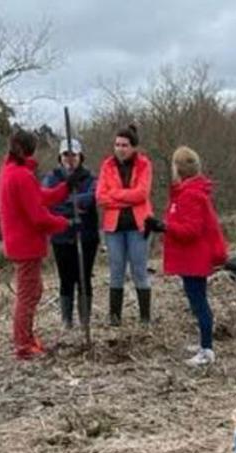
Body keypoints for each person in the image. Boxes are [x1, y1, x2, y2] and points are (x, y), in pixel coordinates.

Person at [0, 128, 71, 358]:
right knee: (28, 295)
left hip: (20, 242)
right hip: (26, 243)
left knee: (33, 291)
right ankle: (23, 345)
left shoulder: (11, 172)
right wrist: (63, 222)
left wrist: (66, 188)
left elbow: (39, 196)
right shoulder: (21, 175)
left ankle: (26, 338)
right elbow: (38, 216)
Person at [162, 146, 228, 367]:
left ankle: (207, 350)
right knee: (196, 301)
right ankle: (203, 342)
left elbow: (190, 230)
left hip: (194, 259)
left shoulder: (191, 195)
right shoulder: (188, 192)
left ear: (178, 168)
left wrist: (165, 226)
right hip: (191, 258)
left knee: (199, 303)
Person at [96, 124, 154, 326]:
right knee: (116, 270)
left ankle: (145, 318)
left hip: (138, 226)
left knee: (139, 271)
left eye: (125, 145)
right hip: (114, 228)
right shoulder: (107, 165)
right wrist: (127, 198)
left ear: (133, 147)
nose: (120, 148)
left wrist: (116, 196)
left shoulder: (144, 165)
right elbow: (101, 197)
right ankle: (115, 318)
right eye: (117, 144)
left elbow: (142, 194)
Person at [44, 138, 100, 328]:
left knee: (84, 277)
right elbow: (49, 202)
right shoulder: (51, 177)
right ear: (60, 157)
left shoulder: (90, 177)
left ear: (80, 156)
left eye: (73, 155)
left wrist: (67, 200)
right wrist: (71, 204)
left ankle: (85, 320)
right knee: (65, 278)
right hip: (61, 236)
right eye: (66, 155)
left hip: (86, 235)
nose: (69, 159)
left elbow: (91, 198)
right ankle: (67, 320)